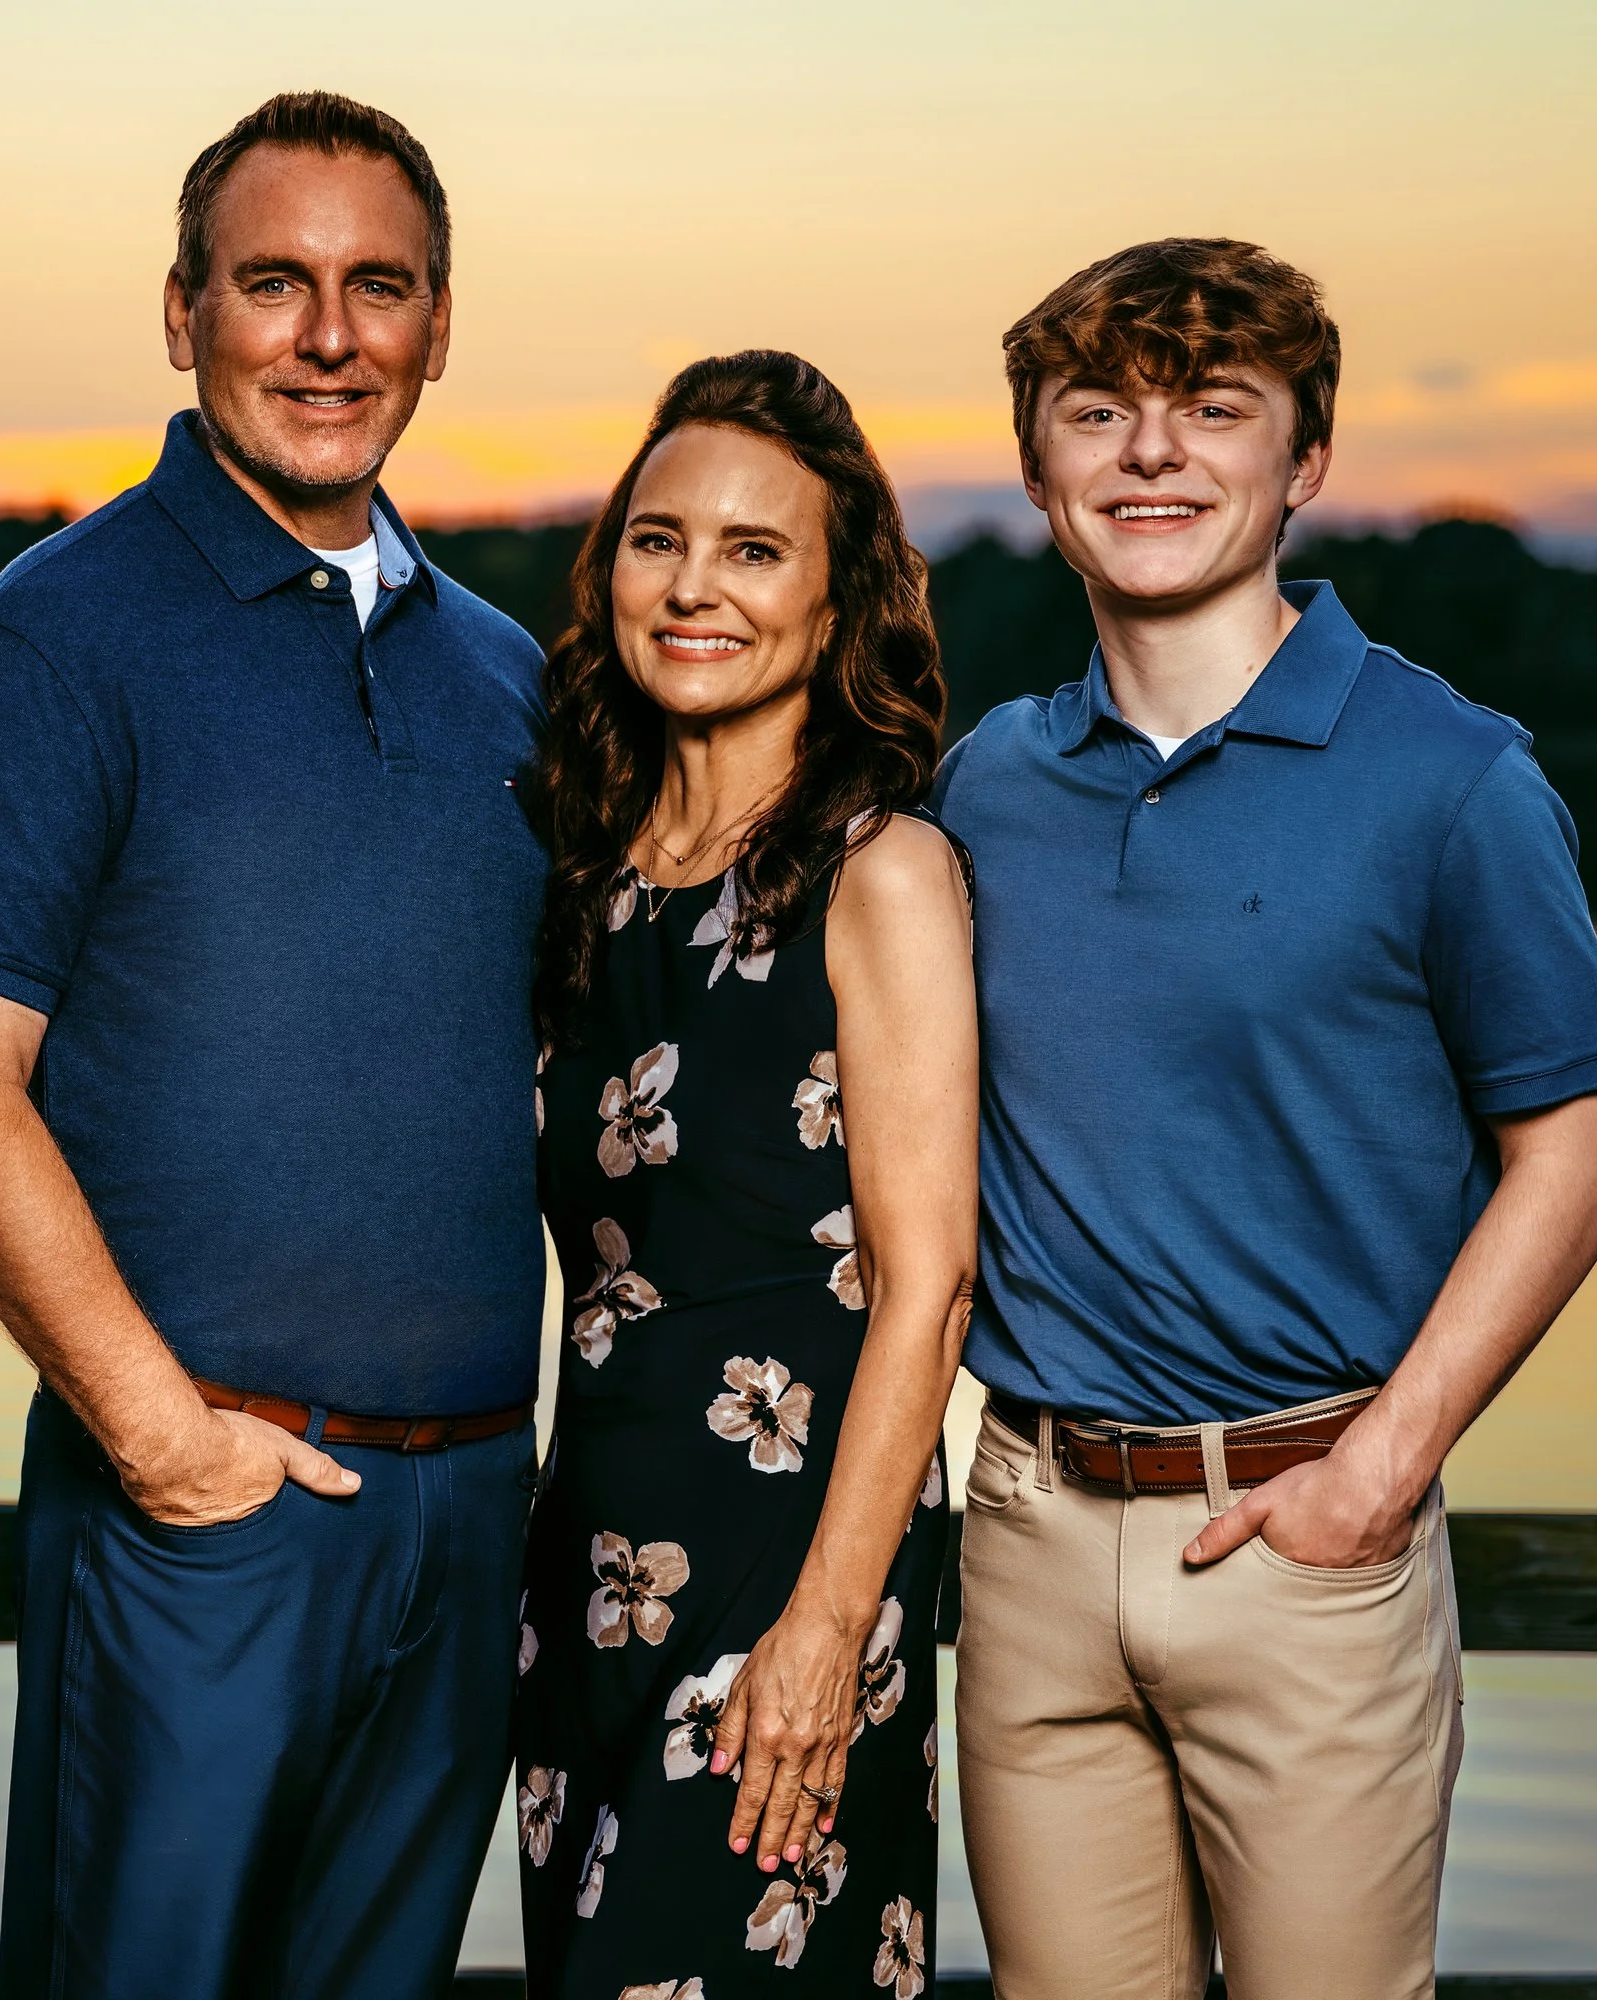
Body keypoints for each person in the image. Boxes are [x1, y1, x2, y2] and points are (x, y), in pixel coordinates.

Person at [0, 93, 545, 2000]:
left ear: (437, 325)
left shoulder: (504, 670)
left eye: (378, 289)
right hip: (203, 1517)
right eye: (275, 284)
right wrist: (166, 1447)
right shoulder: (61, 637)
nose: (329, 336)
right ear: (183, 314)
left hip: (471, 1505)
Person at [932, 238, 1597, 2000]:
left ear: (1302, 461)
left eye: (1212, 410)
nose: (1152, 454)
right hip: (1028, 1530)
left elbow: (1575, 1146)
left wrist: (1383, 1467)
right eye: (1099, 413)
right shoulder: (986, 785)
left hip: (1307, 1536)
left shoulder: (1453, 779)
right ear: (1038, 466)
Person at [514, 351, 977, 1998]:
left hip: (791, 1565)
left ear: (840, 598)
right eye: (658, 539)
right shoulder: (590, 873)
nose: (694, 585)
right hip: (593, 1561)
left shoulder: (883, 871)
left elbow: (929, 1291)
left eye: (754, 549)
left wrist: (827, 1635)